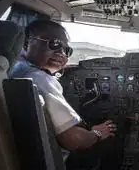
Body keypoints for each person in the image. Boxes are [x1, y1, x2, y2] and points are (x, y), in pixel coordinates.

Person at [9, 20, 117, 161]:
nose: (61, 53)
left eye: (67, 50)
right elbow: (73, 139)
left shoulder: (14, 69)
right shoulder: (38, 78)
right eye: (55, 44)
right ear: (26, 43)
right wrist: (97, 133)